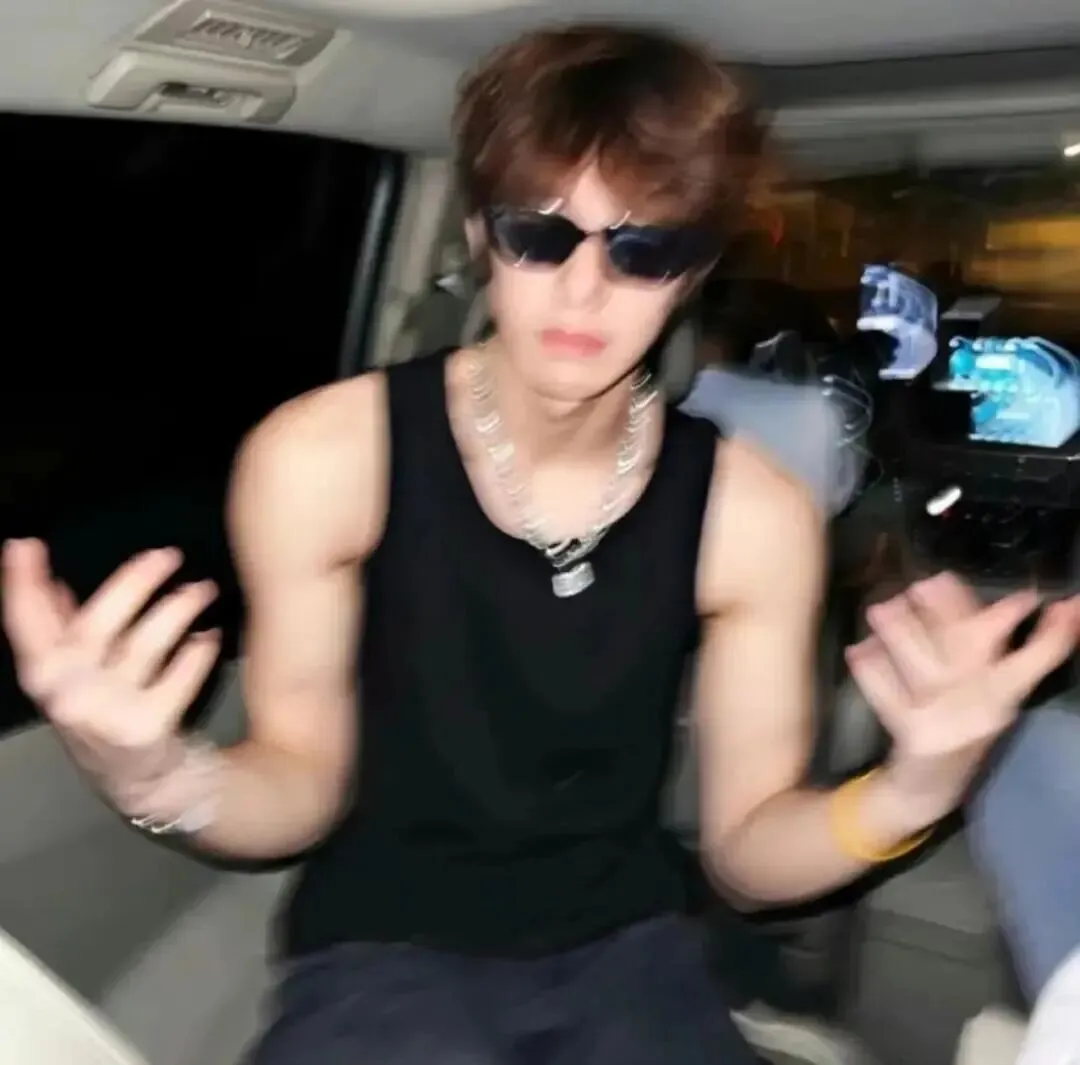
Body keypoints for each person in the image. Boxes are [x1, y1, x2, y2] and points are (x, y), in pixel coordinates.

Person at [3, 24, 1079, 1065]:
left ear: (695, 271)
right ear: (481, 235)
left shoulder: (751, 514)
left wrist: (914, 788)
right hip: (381, 946)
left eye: (645, 248)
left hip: (632, 951)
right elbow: (295, 791)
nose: (584, 287)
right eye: (541, 233)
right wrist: (155, 773)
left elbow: (750, 858)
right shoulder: (325, 458)